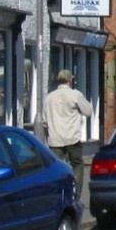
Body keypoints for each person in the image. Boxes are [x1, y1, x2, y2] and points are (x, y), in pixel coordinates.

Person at [44, 69, 92, 198]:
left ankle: (57, 195)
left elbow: (44, 120)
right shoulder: (75, 95)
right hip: (72, 138)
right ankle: (74, 194)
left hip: (54, 140)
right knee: (77, 164)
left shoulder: (49, 97)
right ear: (70, 80)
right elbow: (88, 111)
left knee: (56, 169)